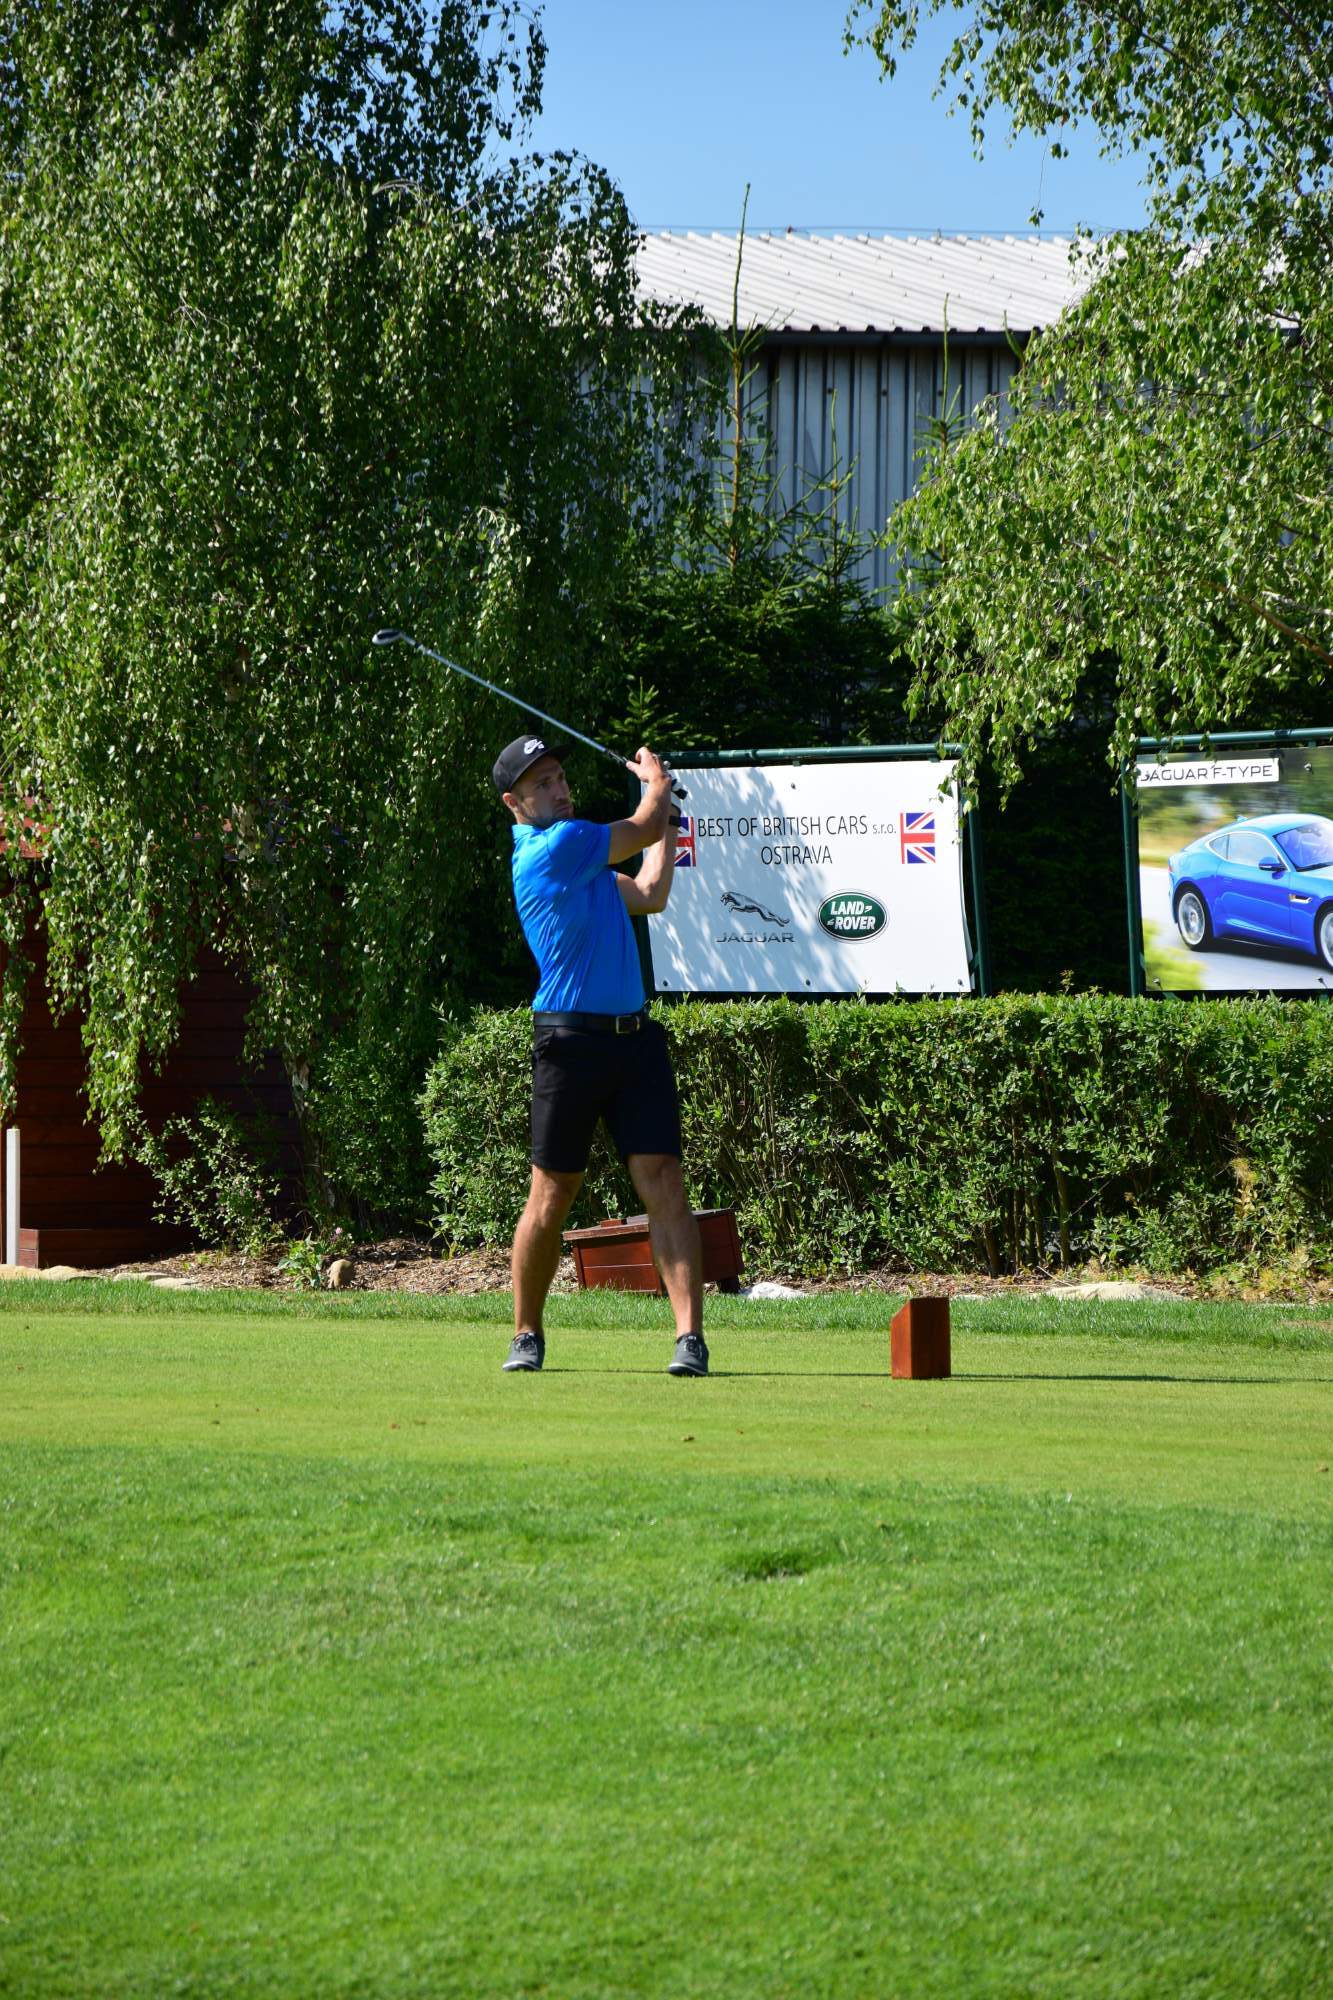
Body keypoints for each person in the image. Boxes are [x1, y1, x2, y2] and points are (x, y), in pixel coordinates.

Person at [492, 730, 707, 1377]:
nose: (559, 789)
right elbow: (638, 826)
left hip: (633, 1041)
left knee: (663, 1180)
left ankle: (689, 1340)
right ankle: (526, 1333)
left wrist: (668, 820)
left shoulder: (582, 861)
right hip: (569, 1043)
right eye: (542, 784)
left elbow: (650, 893)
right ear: (514, 804)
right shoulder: (553, 849)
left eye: (559, 777)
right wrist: (656, 787)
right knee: (552, 1193)